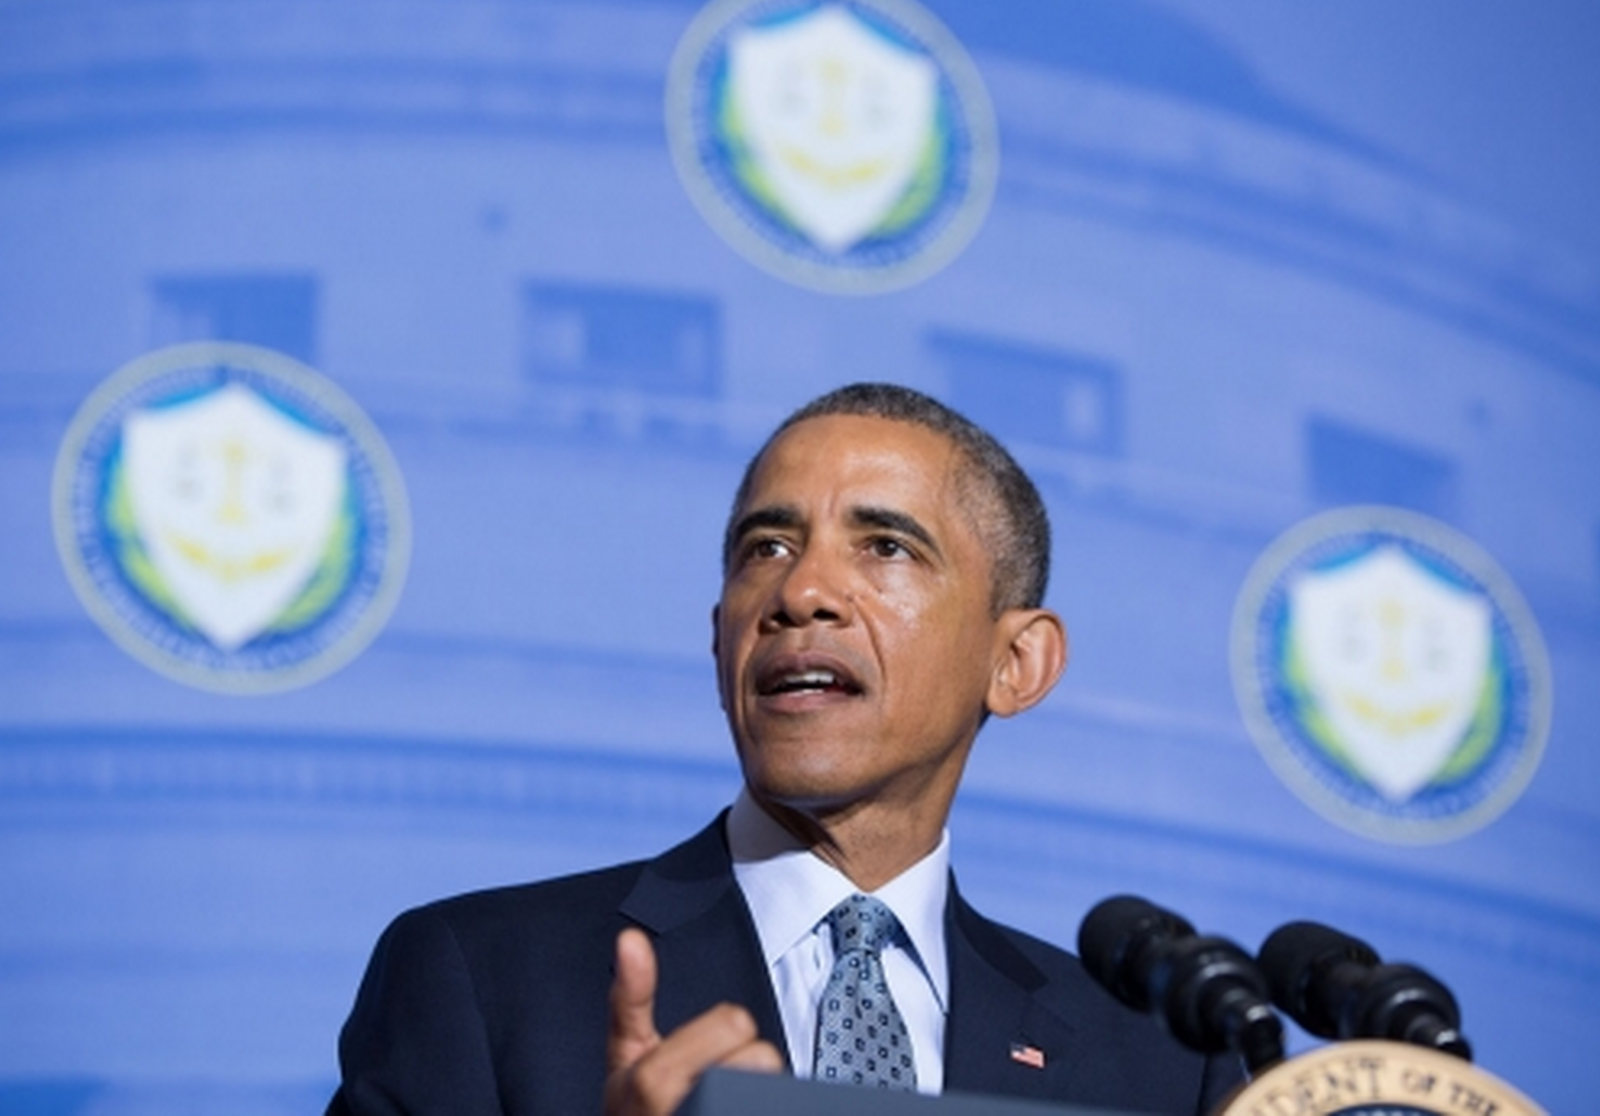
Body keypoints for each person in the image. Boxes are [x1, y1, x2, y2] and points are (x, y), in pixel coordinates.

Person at [327, 383, 1241, 1116]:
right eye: (765, 547)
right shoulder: (479, 978)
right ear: (719, 637)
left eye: (885, 546)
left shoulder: (1161, 1065)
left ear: (1016, 663)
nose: (801, 591)